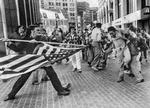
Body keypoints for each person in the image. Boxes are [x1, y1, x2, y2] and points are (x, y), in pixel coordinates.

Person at [4, 25, 71, 101]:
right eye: (38, 31)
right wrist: (9, 43)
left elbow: (50, 43)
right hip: (32, 62)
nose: (40, 32)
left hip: (42, 60)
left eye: (40, 30)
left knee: (52, 74)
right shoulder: (26, 40)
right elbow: (18, 49)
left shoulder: (41, 38)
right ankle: (11, 95)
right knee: (23, 78)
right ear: (32, 31)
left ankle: (60, 90)